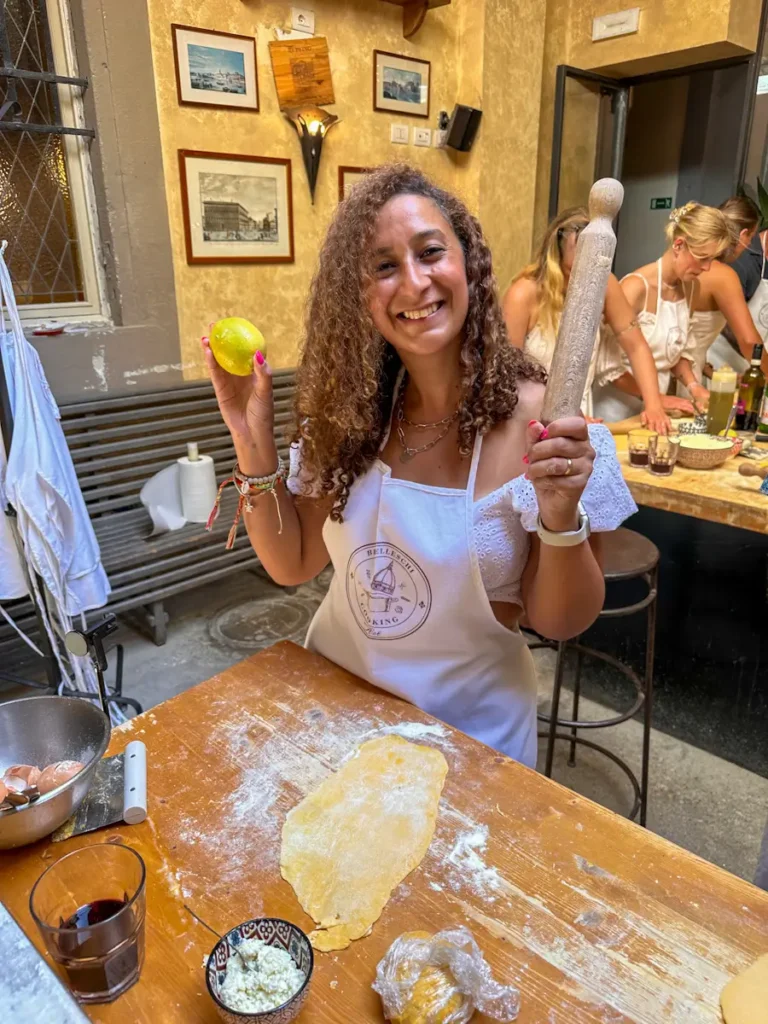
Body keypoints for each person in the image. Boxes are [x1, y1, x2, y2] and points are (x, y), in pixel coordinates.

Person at [202, 164, 637, 769]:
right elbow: (291, 562)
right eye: (383, 266)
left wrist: (561, 513)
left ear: (469, 264)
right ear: (358, 294)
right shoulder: (347, 413)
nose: (413, 283)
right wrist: (252, 444)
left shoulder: (544, 427)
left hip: (470, 741)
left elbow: (560, 621)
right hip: (338, 715)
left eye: (431, 252)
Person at [502, 208, 675, 434]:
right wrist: (556, 416)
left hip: (584, 419)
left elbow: (636, 346)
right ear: (556, 256)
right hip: (530, 421)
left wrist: (654, 405)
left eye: (593, 269)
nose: (586, 278)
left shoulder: (605, 283)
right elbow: (507, 377)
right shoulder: (523, 293)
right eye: (575, 269)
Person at [593, 202, 732, 423]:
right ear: (679, 245)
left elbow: (675, 352)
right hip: (615, 410)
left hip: (659, 409)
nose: (707, 268)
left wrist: (694, 387)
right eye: (703, 257)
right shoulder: (635, 287)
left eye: (712, 260)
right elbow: (606, 367)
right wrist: (655, 398)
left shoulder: (692, 288)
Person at [689, 196, 765, 378]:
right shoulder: (724, 275)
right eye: (751, 237)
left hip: (689, 367)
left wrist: (707, 369)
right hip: (688, 371)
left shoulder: (692, 264)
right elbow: (748, 341)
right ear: (743, 234)